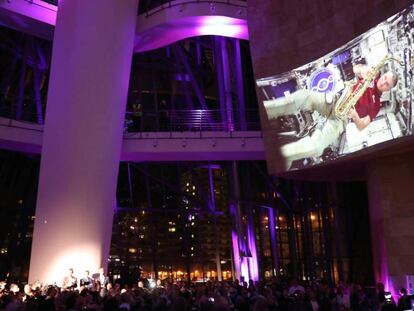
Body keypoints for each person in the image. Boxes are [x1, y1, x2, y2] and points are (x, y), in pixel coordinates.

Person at [264, 65, 398, 169]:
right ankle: (265, 111)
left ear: (389, 89)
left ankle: (282, 156)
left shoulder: (376, 106)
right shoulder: (372, 75)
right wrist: (362, 69)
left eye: (388, 84)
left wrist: (356, 116)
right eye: (385, 77)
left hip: (341, 119)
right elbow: (355, 68)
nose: (383, 82)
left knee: (317, 147)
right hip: (334, 100)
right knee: (303, 96)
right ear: (383, 74)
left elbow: (362, 126)